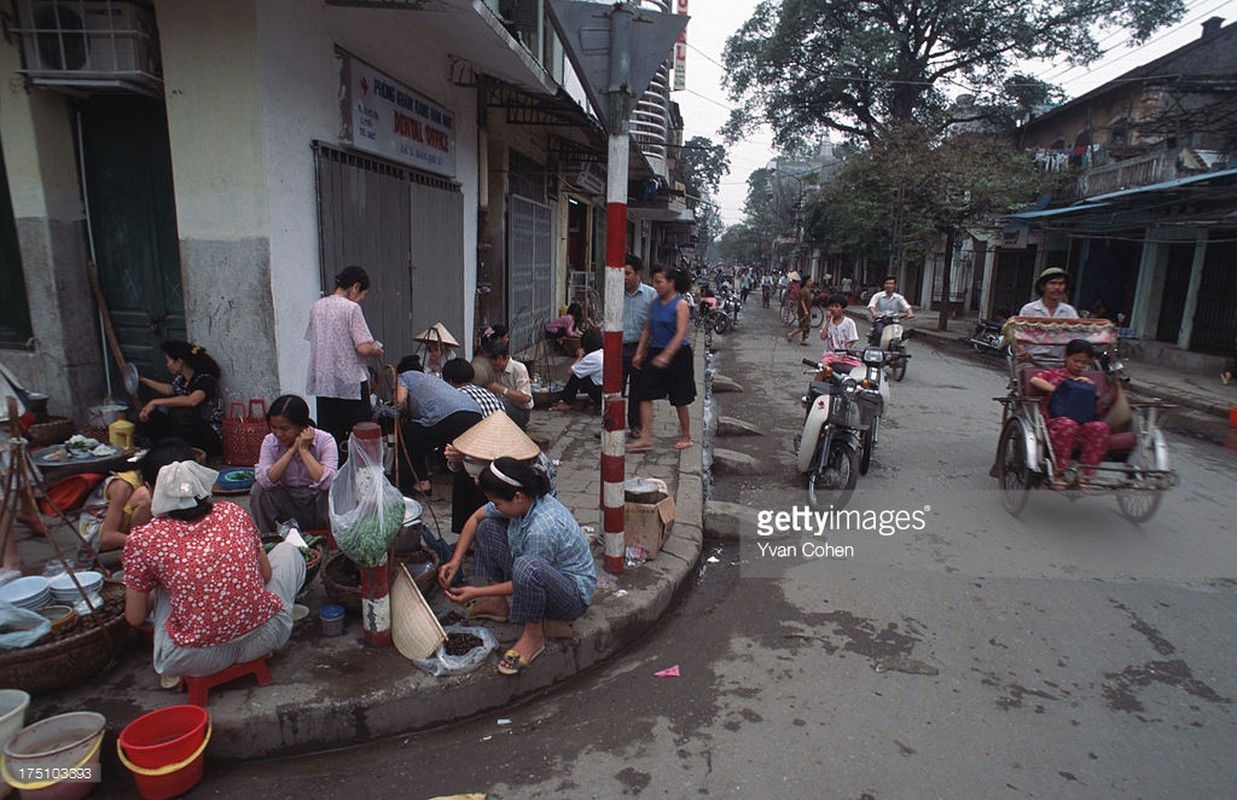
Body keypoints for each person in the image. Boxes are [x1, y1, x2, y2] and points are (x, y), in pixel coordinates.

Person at [122, 439, 305, 685]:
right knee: (288, 552)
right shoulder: (233, 512)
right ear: (198, 476)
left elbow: (135, 617)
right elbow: (266, 575)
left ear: (150, 488)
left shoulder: (144, 539)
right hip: (264, 638)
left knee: (162, 583)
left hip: (192, 659)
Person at [438, 457, 595, 676]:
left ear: (518, 497)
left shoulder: (542, 527)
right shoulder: (523, 501)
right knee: (487, 527)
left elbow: (524, 579)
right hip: (537, 574)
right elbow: (475, 518)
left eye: (498, 503)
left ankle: (533, 634)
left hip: (570, 596)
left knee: (526, 566)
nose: (495, 507)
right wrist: (455, 561)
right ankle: (497, 604)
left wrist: (475, 592)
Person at [305, 266, 384, 447]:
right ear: (355, 287)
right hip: (350, 382)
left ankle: (333, 472)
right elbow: (363, 348)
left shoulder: (317, 306)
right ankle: (358, 473)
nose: (360, 299)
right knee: (359, 435)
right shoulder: (351, 308)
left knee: (330, 435)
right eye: (362, 294)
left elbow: (315, 339)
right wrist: (376, 350)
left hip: (324, 381)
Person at [443, 410, 556, 533]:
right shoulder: (493, 457)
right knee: (463, 478)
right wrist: (457, 458)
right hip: (507, 495)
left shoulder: (529, 466)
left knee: (488, 524)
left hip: (525, 505)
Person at [628, 266, 696, 452]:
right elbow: (648, 329)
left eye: (659, 282)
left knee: (679, 398)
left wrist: (667, 355)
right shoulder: (655, 303)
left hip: (678, 355)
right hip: (655, 351)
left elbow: (681, 333)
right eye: (654, 282)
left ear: (671, 283)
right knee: (644, 393)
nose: (655, 286)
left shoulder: (680, 304)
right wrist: (640, 352)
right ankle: (646, 436)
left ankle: (686, 436)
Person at [1029, 339, 1110, 489]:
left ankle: (1085, 476)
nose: (1079, 365)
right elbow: (1035, 380)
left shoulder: (1087, 381)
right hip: (1056, 422)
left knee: (1100, 427)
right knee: (1068, 424)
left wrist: (1088, 387)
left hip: (1083, 423)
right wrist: (1058, 390)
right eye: (1076, 361)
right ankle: (1058, 473)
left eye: (1083, 363)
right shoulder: (1053, 374)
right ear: (1066, 357)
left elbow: (1098, 404)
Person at [249, 394, 337, 533]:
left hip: (318, 505)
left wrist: (303, 450)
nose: (278, 433)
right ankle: (267, 540)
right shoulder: (269, 442)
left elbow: (326, 481)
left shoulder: (325, 440)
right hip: (289, 504)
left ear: (302, 427)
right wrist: (291, 451)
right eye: (273, 427)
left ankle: (334, 541)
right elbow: (266, 481)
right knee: (259, 491)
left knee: (333, 490)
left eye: (284, 429)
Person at [395, 362, 483, 495]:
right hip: (474, 412)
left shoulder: (404, 377)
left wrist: (397, 413)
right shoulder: (432, 380)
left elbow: (400, 402)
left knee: (410, 433)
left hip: (447, 415)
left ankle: (421, 482)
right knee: (446, 441)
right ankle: (450, 472)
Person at [137, 340, 225, 457]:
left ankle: (189, 455)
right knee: (152, 416)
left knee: (180, 412)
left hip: (210, 438)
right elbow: (169, 389)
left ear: (179, 362)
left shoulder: (205, 380)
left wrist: (155, 402)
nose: (167, 365)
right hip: (191, 434)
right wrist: (144, 381)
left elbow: (192, 400)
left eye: (168, 361)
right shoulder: (181, 380)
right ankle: (160, 452)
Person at [75, 469, 152, 565]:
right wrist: (149, 544)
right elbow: (107, 537)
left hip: (123, 530)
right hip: (96, 535)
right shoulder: (123, 486)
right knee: (145, 497)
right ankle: (137, 559)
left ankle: (141, 552)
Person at [622, 254, 657, 438]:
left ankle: (636, 425)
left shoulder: (651, 295)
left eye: (627, 273)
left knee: (637, 389)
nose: (624, 278)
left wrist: (645, 350)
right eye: (622, 273)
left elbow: (653, 324)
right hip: (618, 347)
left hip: (640, 348)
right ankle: (612, 425)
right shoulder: (615, 292)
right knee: (613, 389)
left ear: (638, 273)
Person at [1017, 267, 1079, 361]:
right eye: (1052, 283)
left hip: (1061, 362)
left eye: (1061, 284)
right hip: (1032, 360)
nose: (1057, 287)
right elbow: (1018, 336)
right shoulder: (1029, 310)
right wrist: (1022, 351)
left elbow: (1077, 336)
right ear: (1042, 286)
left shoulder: (1069, 311)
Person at [483, 342, 534, 430]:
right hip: (502, 407)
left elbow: (526, 398)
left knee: (496, 406)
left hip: (520, 412)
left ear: (499, 358)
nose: (489, 365)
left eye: (490, 362)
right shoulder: (494, 370)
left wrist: (501, 389)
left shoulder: (519, 368)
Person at [551, 328, 603, 411]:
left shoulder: (592, 357)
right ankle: (565, 400)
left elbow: (570, 371)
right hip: (602, 389)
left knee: (577, 376)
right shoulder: (601, 353)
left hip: (600, 393)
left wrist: (579, 357)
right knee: (581, 373)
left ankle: (568, 402)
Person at [867, 276, 915, 347]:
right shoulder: (878, 296)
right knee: (879, 331)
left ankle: (899, 349)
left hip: (894, 321)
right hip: (881, 320)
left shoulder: (899, 297)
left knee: (901, 334)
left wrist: (910, 313)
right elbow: (871, 305)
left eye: (891, 284)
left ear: (895, 286)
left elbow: (907, 306)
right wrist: (874, 313)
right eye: (887, 283)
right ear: (884, 285)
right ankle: (876, 349)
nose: (889, 286)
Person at [786, 277, 816, 346]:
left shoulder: (808, 290)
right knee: (803, 326)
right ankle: (791, 334)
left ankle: (803, 340)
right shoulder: (803, 291)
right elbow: (802, 301)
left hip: (807, 310)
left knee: (806, 326)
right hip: (802, 311)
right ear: (805, 282)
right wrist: (805, 310)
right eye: (809, 281)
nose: (811, 282)